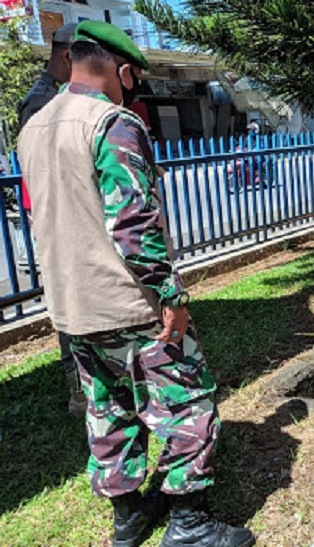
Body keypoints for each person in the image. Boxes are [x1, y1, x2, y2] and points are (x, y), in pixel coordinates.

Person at [16, 21, 254, 547]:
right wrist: (171, 296)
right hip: (129, 306)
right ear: (123, 71)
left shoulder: (33, 126)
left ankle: (128, 518)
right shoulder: (112, 123)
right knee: (189, 404)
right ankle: (190, 524)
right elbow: (134, 226)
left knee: (109, 411)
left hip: (71, 309)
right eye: (134, 79)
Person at [16, 23, 87, 417]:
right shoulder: (40, 102)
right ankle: (79, 391)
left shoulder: (58, 96)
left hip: (70, 213)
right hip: (57, 218)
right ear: (67, 57)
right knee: (70, 303)